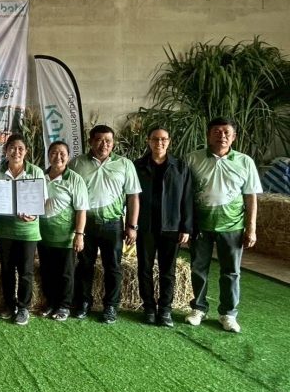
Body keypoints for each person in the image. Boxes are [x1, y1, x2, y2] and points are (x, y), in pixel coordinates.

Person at [185, 117, 262, 333]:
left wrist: (251, 228)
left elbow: (251, 197)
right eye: (217, 132)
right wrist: (185, 225)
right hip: (200, 225)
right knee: (198, 269)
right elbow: (184, 194)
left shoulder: (245, 161)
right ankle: (198, 309)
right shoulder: (192, 159)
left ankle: (228, 314)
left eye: (226, 132)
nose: (222, 136)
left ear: (234, 136)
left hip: (232, 227)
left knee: (231, 272)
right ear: (208, 135)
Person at [68, 124, 141, 324]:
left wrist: (132, 226)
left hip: (113, 224)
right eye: (99, 140)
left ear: (113, 143)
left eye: (108, 141)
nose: (104, 144)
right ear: (90, 141)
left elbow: (133, 197)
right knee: (84, 265)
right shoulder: (77, 163)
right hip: (86, 225)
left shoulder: (124, 164)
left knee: (113, 267)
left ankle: (110, 306)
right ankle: (83, 303)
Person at [134, 126, 193, 328]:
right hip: (145, 225)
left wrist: (186, 227)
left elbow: (187, 198)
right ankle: (149, 307)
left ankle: (165, 309)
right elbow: (130, 197)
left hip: (171, 226)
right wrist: (131, 224)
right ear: (148, 141)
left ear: (169, 141)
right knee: (144, 268)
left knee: (168, 270)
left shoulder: (180, 167)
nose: (159, 143)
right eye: (155, 139)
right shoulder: (137, 166)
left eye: (163, 139)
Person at [0, 134, 46, 326]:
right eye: (12, 148)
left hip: (28, 232)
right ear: (6, 150)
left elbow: (42, 201)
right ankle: (9, 304)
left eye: (20, 148)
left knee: (25, 271)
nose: (16, 152)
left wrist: (34, 215)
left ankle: (23, 307)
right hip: (4, 230)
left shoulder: (36, 172)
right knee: (6, 270)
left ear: (26, 151)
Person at [38, 141, 88, 322]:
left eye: (62, 153)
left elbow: (81, 209)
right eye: (53, 153)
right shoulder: (40, 176)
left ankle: (64, 305)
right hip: (42, 234)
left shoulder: (75, 179)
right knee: (47, 271)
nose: (58, 157)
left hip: (65, 235)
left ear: (68, 157)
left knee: (66, 273)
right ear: (48, 155)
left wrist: (79, 235)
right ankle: (50, 302)